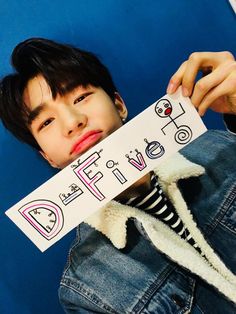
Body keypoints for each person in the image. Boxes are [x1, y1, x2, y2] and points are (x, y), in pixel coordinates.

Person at [0, 38, 236, 313]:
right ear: (47, 157)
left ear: (119, 104)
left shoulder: (220, 147)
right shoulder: (86, 287)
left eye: (80, 97)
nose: (73, 121)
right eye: (47, 122)